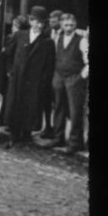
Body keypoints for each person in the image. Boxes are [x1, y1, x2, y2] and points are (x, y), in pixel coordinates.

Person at [2, 6, 55, 148]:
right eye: (36, 22)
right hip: (18, 78)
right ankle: (14, 134)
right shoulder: (20, 35)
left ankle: (26, 134)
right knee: (15, 105)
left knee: (30, 107)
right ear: (30, 21)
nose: (39, 25)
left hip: (35, 80)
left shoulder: (47, 42)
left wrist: (43, 81)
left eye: (42, 23)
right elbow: (9, 55)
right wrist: (10, 71)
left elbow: (49, 65)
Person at [46, 13, 86, 153]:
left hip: (74, 78)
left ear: (75, 24)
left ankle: (76, 142)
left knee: (75, 111)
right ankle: (58, 137)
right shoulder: (58, 38)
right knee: (58, 107)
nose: (69, 27)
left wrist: (80, 77)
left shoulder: (81, 40)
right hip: (59, 77)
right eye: (66, 25)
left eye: (71, 25)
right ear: (61, 25)